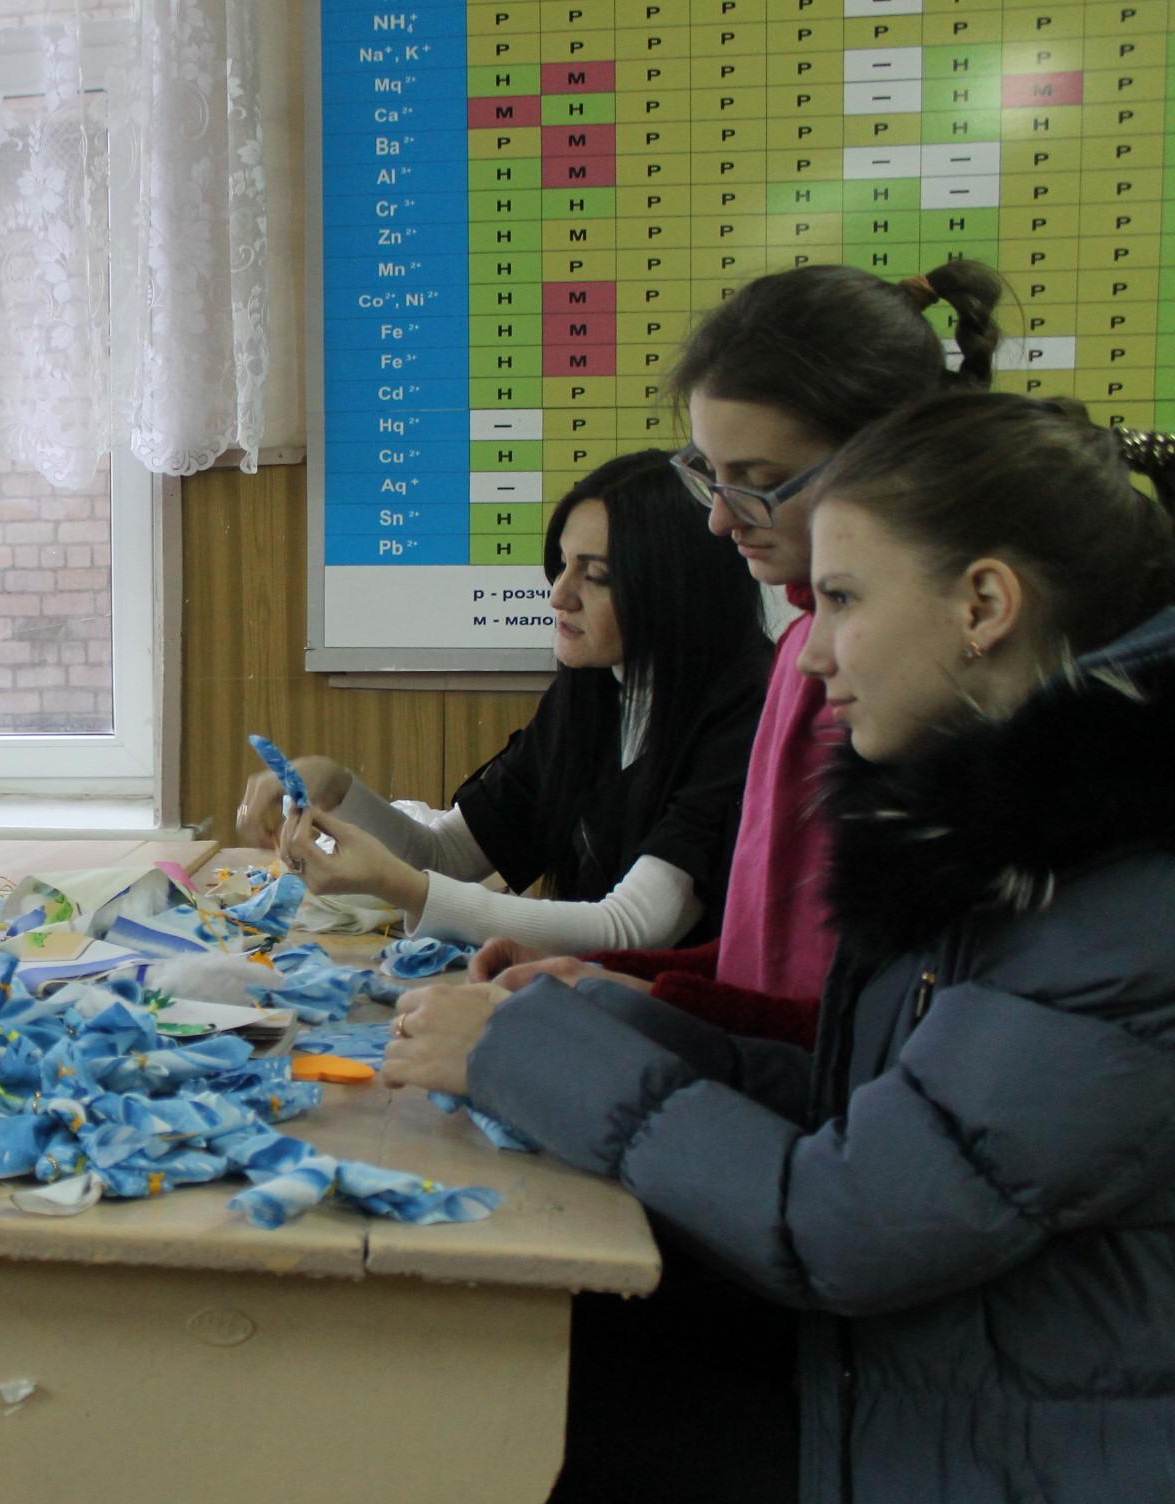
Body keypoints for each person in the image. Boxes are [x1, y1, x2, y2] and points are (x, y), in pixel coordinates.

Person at [397, 392, 1175, 1503]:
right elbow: (877, 1108)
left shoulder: (1119, 900)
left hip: (995, 1437)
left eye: (844, 600)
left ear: (984, 605)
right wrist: (610, 1021)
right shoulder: (1002, 834)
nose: (808, 662)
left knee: (504, 1416)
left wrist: (523, 1055)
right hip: (923, 1367)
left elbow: (848, 1224)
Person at [475, 259, 1005, 1044]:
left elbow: (860, 1031)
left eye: (756, 481)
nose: (719, 521)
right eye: (708, 476)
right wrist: (613, 977)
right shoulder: (801, 652)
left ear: (881, 461)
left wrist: (628, 999)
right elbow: (774, 961)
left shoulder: (911, 685)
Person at [240, 451, 769, 952]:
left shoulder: (745, 713)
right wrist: (337, 787)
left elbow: (632, 927)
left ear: (676, 588)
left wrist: (403, 887)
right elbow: (443, 855)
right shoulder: (594, 691)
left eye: (596, 575)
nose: (559, 595)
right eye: (561, 564)